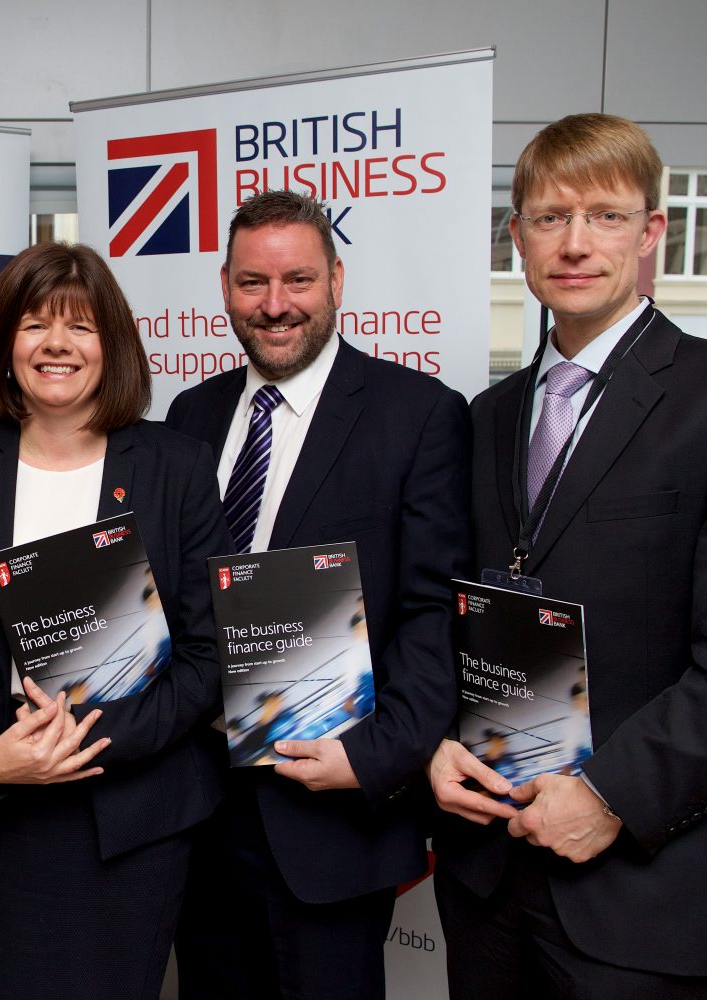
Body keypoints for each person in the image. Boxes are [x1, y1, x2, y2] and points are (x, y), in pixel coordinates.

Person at [428, 113, 707, 999]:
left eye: (606, 215)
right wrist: (431, 744)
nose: (576, 242)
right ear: (517, 238)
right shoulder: (488, 417)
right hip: (488, 882)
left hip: (651, 892)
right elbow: (458, 612)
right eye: (549, 217)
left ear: (652, 230)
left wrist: (612, 795)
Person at [165, 189, 470, 1000]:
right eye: (253, 283)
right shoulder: (189, 416)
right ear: (224, 285)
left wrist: (371, 759)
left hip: (329, 810)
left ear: (337, 279)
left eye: (298, 280)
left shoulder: (419, 416)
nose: (275, 306)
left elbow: (434, 615)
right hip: (198, 810)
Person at [0, 242, 228, 1000]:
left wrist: (91, 739)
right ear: (2, 343)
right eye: (34, 324)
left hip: (133, 820)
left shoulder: (176, 467)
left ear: (110, 343)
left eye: (81, 326)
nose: (57, 344)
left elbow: (210, 656)